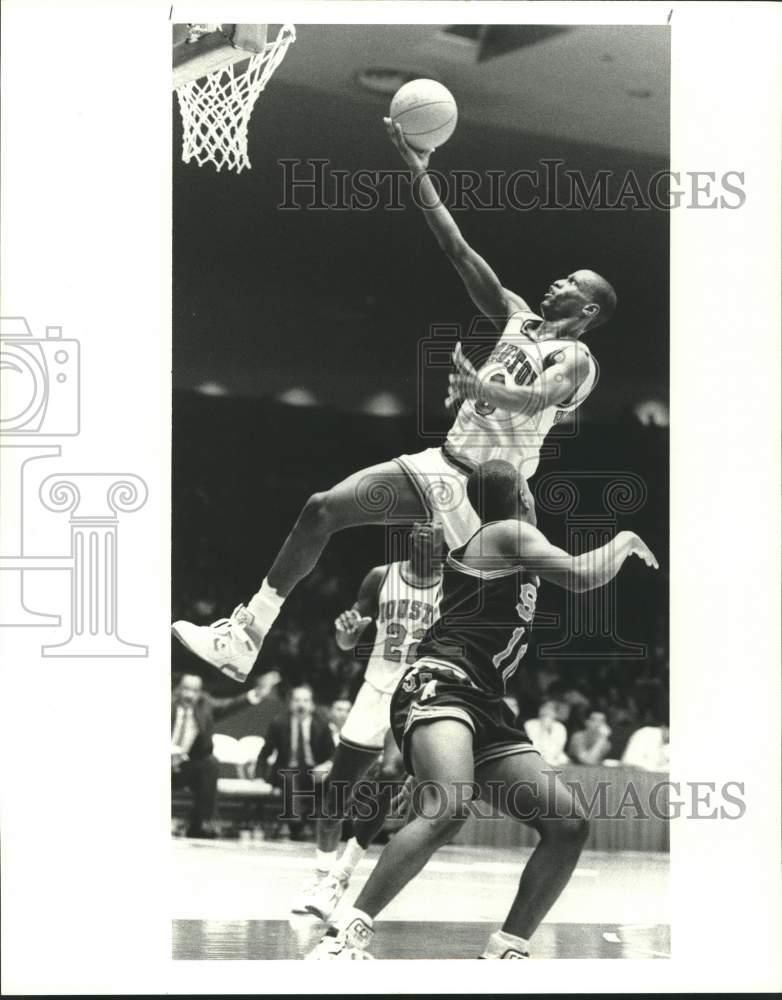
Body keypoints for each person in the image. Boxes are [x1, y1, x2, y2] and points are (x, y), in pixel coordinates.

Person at [171, 124, 617, 684]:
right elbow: (456, 247)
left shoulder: (577, 358)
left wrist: (484, 389)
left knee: (474, 640)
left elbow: (538, 400)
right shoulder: (516, 314)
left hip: (492, 499)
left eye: (571, 281)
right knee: (321, 509)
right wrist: (418, 170)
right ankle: (246, 634)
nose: (557, 281)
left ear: (590, 310)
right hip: (444, 468)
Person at [307, 459, 657, 959]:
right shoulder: (506, 533)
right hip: (440, 682)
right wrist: (624, 539)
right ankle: (346, 936)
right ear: (523, 499)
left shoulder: (507, 546)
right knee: (448, 805)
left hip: (484, 700)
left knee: (567, 824)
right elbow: (583, 577)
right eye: (531, 494)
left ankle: (506, 948)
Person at [290, 521, 444, 922]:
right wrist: (347, 635)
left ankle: (342, 873)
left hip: (414, 693)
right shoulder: (381, 576)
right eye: (419, 526)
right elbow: (346, 639)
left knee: (391, 774)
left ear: (447, 538)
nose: (424, 530)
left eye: (435, 526)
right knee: (336, 795)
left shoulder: (456, 585)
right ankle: (322, 875)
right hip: (373, 691)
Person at [171, 670, 278, 837]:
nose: (189, 695)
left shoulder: (204, 706)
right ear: (178, 689)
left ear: (200, 693)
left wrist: (257, 693)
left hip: (184, 767)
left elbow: (230, 705)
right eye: (186, 689)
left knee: (210, 763)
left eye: (194, 690)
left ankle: (200, 825)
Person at [257, 684, 336, 840]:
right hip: (287, 769)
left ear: (312, 704)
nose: (301, 705)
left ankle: (334, 827)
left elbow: (333, 754)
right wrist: (260, 777)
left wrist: (326, 766)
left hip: (314, 771)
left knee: (336, 781)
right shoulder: (279, 723)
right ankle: (296, 825)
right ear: (290, 703)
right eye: (297, 700)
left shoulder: (322, 725)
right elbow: (265, 753)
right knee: (290, 776)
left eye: (306, 700)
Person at [523, 701, 570, 767]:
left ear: (555, 713)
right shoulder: (530, 724)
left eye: (550, 709)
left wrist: (548, 730)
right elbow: (534, 746)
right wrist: (542, 729)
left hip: (556, 759)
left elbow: (557, 749)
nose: (546, 711)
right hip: (534, 758)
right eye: (544, 707)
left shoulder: (560, 727)